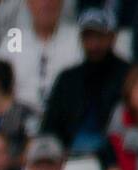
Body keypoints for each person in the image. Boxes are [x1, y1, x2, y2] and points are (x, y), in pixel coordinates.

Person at [40, 8, 130, 153]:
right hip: (69, 154)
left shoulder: (128, 76)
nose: (94, 44)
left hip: (117, 154)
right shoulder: (68, 79)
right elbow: (50, 127)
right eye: (88, 37)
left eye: (99, 36)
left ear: (112, 37)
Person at [0, 0, 82, 115]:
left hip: (67, 117)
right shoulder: (15, 39)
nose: (46, 4)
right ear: (29, 3)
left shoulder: (78, 38)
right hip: (19, 117)